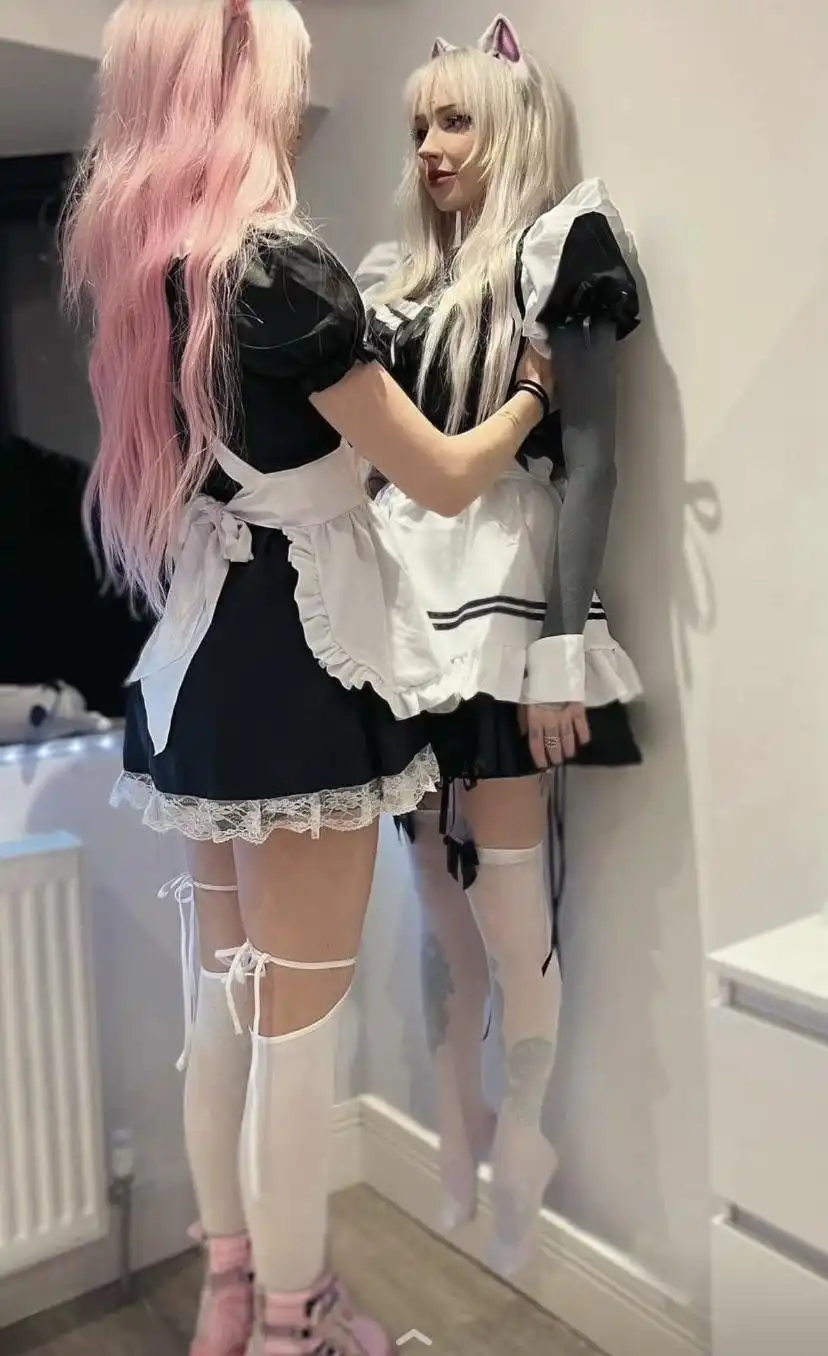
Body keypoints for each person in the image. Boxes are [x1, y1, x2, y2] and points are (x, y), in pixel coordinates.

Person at [60, 3, 554, 1354]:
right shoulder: (275, 270)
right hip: (298, 670)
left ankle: (232, 1294)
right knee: (296, 1032)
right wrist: (529, 393)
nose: (301, 91)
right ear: (242, 83)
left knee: (226, 1003)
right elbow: (438, 477)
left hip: (204, 671)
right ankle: (295, 1323)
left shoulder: (153, 269)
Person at [355, 15, 643, 1277]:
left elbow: (594, 463)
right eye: (419, 123)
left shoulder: (559, 250)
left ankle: (523, 1137)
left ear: (512, 125)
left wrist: (564, 649)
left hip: (507, 608)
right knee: (435, 902)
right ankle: (457, 1134)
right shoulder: (396, 286)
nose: (429, 145)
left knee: (513, 904)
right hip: (399, 614)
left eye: (455, 118)